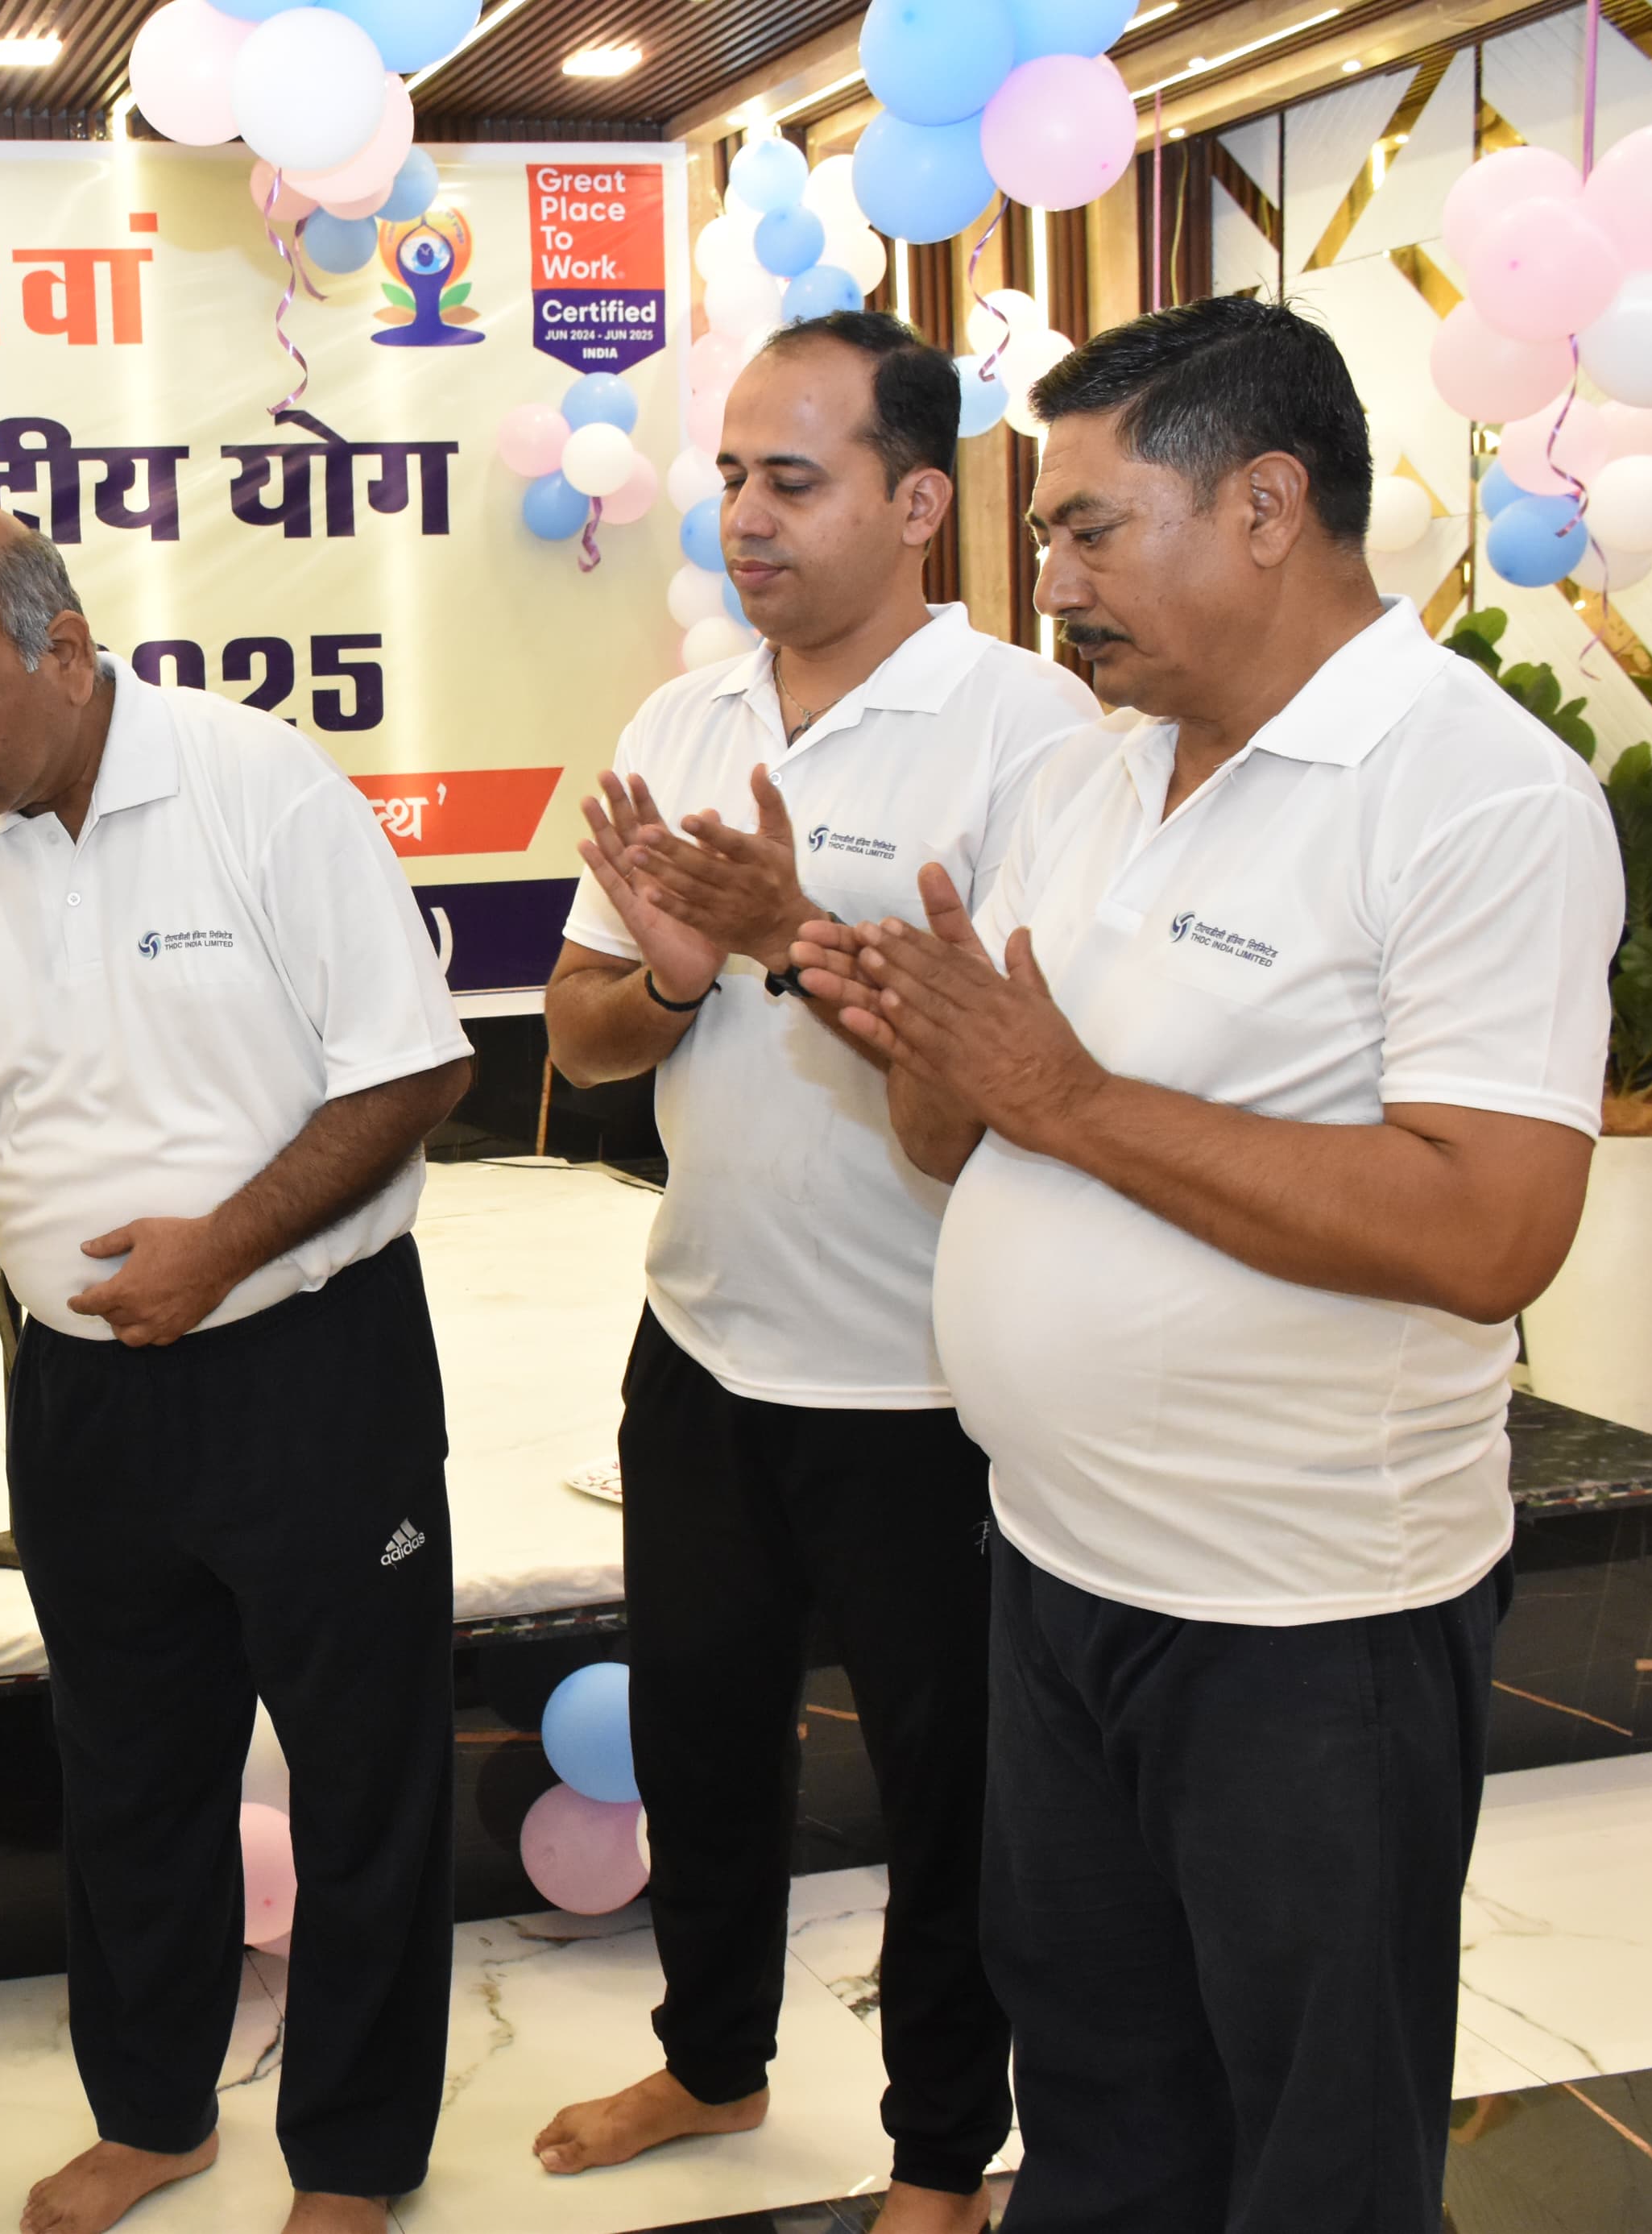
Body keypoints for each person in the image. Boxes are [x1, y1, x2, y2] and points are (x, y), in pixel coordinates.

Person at [794, 296, 1615, 2232]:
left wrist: (1063, 1096)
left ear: (1262, 504)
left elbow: (1490, 1230)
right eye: (1045, 534)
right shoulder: (1089, 775)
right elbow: (959, 1140)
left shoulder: (1475, 792)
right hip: (1055, 1566)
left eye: (1088, 528)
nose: (1050, 582)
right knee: (1100, 2098)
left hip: (1303, 1618)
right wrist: (921, 1045)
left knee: (1314, 2149)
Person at [0, 499, 474, 2234]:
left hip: (310, 1371)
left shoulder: (257, 789)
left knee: (364, 1776)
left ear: (63, 649)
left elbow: (414, 1072)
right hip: (82, 1404)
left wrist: (225, 1245)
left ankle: (354, 2159)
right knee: (128, 1775)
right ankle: (152, 2114)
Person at [536, 310, 1098, 2232]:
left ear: (918, 504)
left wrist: (790, 938)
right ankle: (711, 2060)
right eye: (728, 478)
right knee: (699, 1737)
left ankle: (941, 2152)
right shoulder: (682, 724)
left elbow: (1012, 1080)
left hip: (927, 1372)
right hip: (703, 1336)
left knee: (950, 1787)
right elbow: (581, 1036)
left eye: (794, 479)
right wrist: (674, 970)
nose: (745, 518)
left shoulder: (1028, 733)